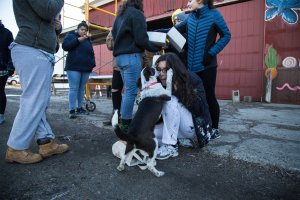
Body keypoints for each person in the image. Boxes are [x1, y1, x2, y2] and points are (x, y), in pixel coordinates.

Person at [6, 0, 68, 164]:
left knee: (39, 102)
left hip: (37, 50)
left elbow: (46, 16)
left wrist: (56, 28)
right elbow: (48, 10)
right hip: (32, 49)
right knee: (33, 101)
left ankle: (46, 142)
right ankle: (16, 147)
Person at [175, 0, 231, 139]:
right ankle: (200, 126)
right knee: (195, 98)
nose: (188, 3)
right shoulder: (190, 18)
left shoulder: (214, 15)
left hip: (207, 65)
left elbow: (226, 35)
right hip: (191, 67)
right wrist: (155, 33)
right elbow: (174, 30)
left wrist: (211, 53)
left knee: (209, 96)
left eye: (190, 0)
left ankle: (214, 128)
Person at [112, 0, 161, 132]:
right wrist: (157, 47)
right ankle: (125, 125)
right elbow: (141, 39)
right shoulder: (137, 14)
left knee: (127, 91)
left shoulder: (120, 15)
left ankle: (123, 121)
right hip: (131, 56)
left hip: (119, 59)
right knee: (130, 92)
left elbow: (114, 36)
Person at [154, 53, 212, 160]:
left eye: (166, 70)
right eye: (159, 69)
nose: (161, 73)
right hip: (176, 127)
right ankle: (176, 141)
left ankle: (170, 146)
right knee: (149, 133)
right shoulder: (159, 83)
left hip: (194, 128)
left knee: (169, 99)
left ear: (174, 70)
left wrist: (178, 90)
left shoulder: (192, 79)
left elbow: (199, 110)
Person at [62, 21, 96, 119]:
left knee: (81, 89)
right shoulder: (71, 36)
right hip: (73, 67)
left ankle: (79, 108)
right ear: (77, 30)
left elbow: (91, 53)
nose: (84, 32)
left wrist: (92, 64)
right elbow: (65, 46)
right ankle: (72, 110)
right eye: (82, 29)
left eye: (85, 30)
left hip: (85, 68)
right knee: (74, 88)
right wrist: (78, 40)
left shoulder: (88, 40)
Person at [103, 30, 124, 126]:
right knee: (115, 90)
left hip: (133, 65)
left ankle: (126, 119)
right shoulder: (117, 28)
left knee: (131, 93)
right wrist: (111, 35)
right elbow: (110, 46)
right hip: (118, 66)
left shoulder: (136, 25)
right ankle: (115, 116)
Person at [0, 20, 14, 125]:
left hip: (2, 67)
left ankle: (1, 115)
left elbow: (11, 51)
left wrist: (11, 66)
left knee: (0, 91)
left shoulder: (7, 33)